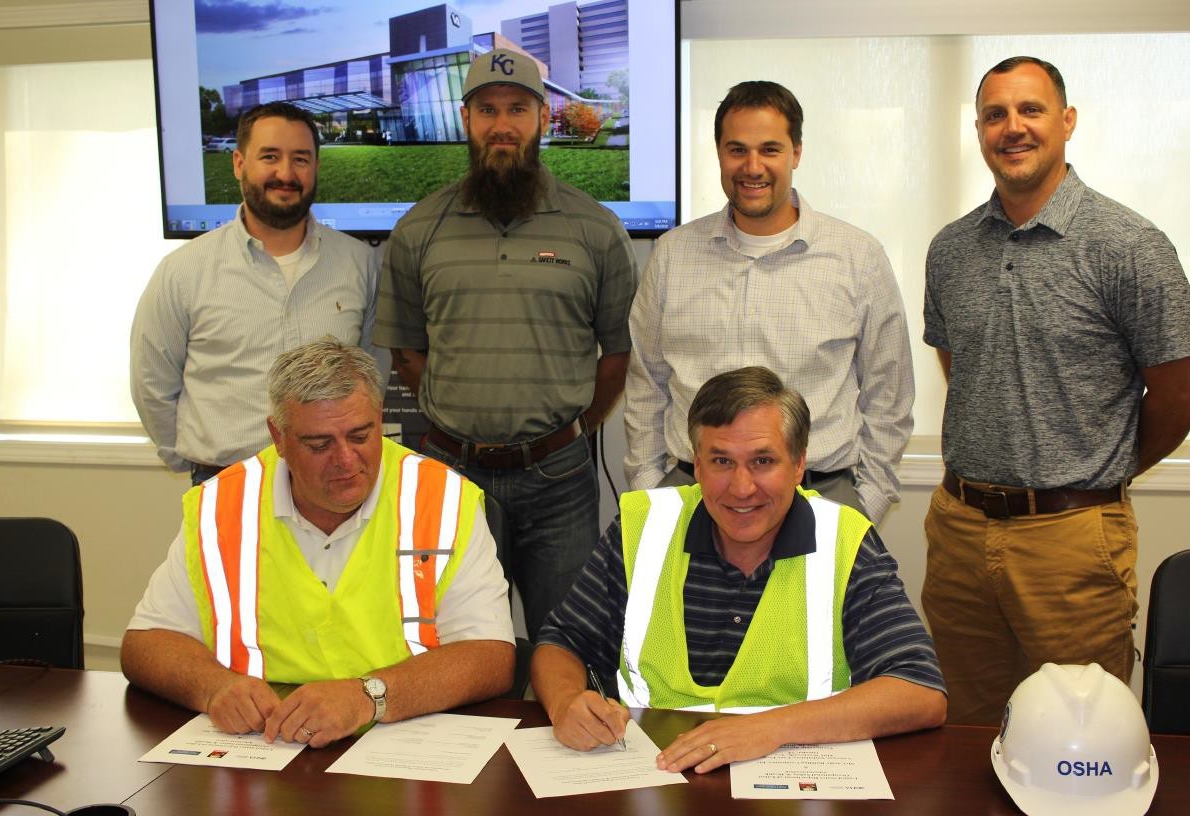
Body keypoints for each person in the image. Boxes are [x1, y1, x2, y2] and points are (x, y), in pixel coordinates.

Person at [922, 56, 1190, 725]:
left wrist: (1099, 470)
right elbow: (959, 367)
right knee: (964, 732)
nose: (1011, 128)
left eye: (1029, 110)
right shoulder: (949, 249)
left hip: (1071, 538)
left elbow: (1182, 392)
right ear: (977, 130)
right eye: (994, 114)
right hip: (960, 532)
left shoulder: (1129, 246)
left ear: (1066, 121)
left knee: (1080, 738)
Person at [532, 367, 945, 771]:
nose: (742, 487)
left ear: (799, 465)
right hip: (649, 775)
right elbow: (562, 640)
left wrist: (769, 728)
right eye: (722, 462)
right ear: (697, 466)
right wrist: (566, 701)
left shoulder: (845, 540)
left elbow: (920, 690)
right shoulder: (644, 527)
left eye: (763, 461)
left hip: (793, 780)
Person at [122, 340, 514, 747]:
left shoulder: (442, 498)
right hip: (265, 749)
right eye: (319, 445)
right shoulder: (222, 504)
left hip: (404, 743)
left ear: (379, 419)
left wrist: (370, 696)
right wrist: (214, 686)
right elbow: (145, 643)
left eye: (360, 436)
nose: (345, 460)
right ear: (279, 436)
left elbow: (490, 655)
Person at [373, 49, 637, 640]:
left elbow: (618, 354)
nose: (502, 125)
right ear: (466, 119)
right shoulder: (419, 229)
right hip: (451, 478)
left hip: (560, 482)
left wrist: (569, 431)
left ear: (543, 118)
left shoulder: (596, 228)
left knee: (570, 650)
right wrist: (462, 420)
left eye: (518, 108)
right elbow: (407, 352)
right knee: (449, 648)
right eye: (487, 109)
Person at [623, 81, 913, 524]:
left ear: (796, 152)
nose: (752, 166)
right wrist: (649, 489)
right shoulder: (672, 255)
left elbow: (888, 396)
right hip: (691, 498)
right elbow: (647, 383)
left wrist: (864, 503)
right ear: (718, 152)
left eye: (770, 149)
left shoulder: (858, 257)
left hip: (820, 499)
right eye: (737, 149)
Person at [131, 101, 381, 486]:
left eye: (301, 158)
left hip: (331, 490)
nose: (286, 173)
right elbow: (152, 384)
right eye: (270, 156)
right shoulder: (182, 271)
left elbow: (370, 374)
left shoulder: (359, 264)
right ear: (238, 164)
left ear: (316, 167)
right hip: (224, 484)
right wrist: (195, 462)